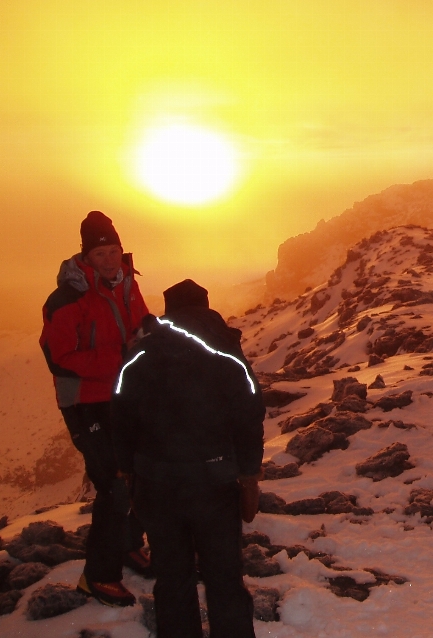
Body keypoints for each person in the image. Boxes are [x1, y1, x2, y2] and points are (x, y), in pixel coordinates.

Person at [113, 279, 265, 638]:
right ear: (207, 309)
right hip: (215, 482)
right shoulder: (228, 356)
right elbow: (250, 416)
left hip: (157, 483)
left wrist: (127, 471)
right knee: (224, 575)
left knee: (172, 576)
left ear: (168, 314)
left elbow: (121, 416)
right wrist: (249, 475)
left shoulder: (139, 357)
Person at [40, 211, 152, 607]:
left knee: (141, 471)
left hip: (122, 394)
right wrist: (121, 356)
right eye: (100, 252)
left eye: (113, 250)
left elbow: (138, 326)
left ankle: (126, 545)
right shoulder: (67, 298)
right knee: (114, 486)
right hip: (85, 403)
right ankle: (98, 577)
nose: (108, 259)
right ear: (86, 256)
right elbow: (60, 357)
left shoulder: (126, 283)